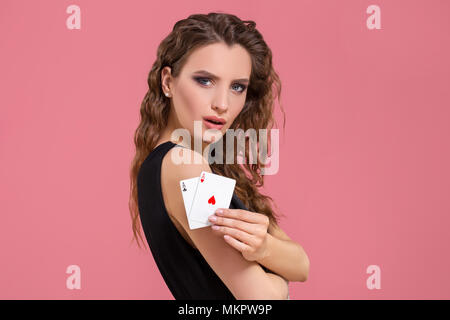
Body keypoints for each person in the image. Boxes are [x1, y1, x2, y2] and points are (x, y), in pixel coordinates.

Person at [128, 12, 309, 300]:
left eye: (237, 87)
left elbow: (302, 265)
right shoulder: (185, 167)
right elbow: (262, 299)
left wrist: (264, 249)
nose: (223, 104)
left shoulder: (199, 167)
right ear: (167, 82)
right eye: (205, 81)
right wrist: (277, 271)